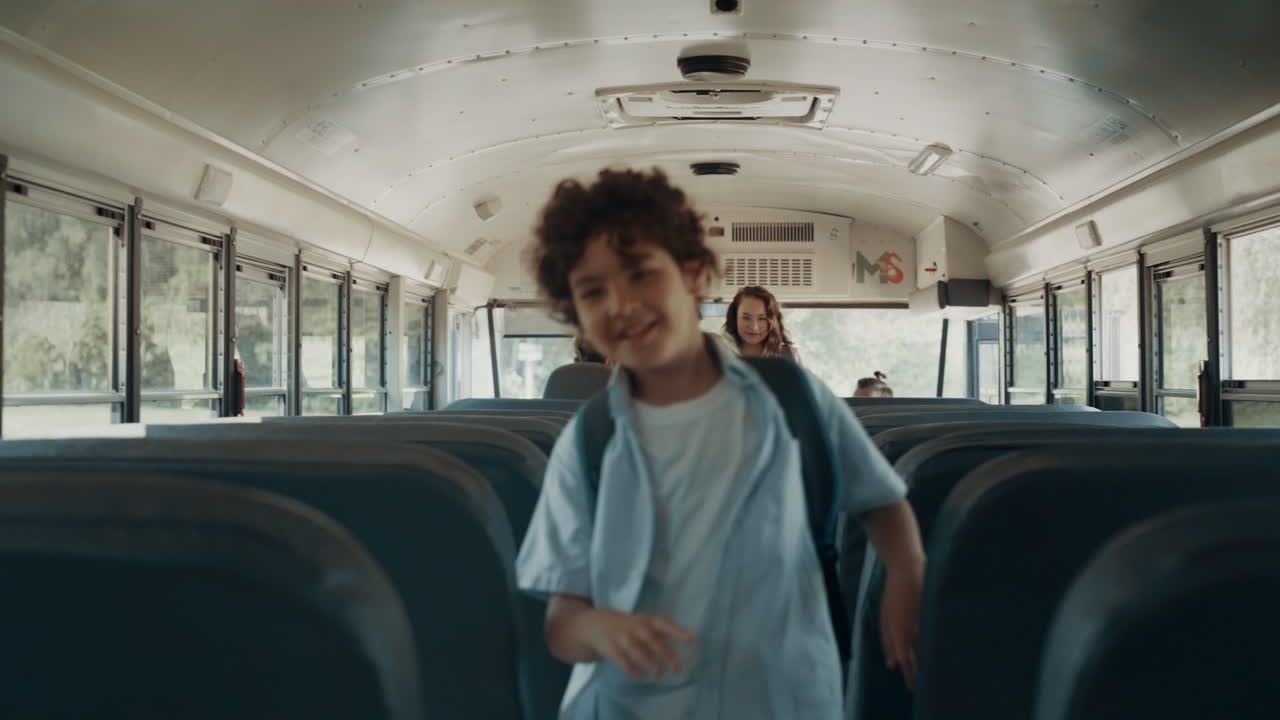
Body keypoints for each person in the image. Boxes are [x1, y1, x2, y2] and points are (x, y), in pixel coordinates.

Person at [516, 167, 925, 719]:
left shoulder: (791, 398)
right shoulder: (589, 440)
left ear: (691, 275)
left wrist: (906, 572)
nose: (622, 304)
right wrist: (600, 628)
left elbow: (881, 501)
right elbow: (562, 623)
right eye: (592, 291)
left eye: (641, 275)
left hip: (784, 693)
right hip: (635, 703)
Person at [721, 285, 802, 364]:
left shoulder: (791, 356)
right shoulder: (718, 355)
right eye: (746, 318)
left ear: (772, 321)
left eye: (762, 318)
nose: (754, 327)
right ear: (735, 318)